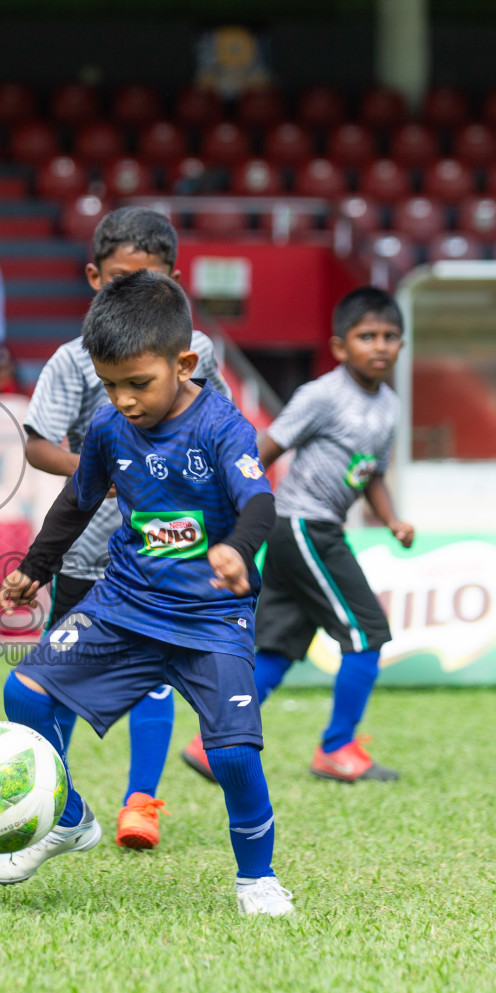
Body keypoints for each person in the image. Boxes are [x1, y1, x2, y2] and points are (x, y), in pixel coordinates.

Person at [0, 271, 292, 917]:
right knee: (24, 692)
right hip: (124, 604)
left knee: (234, 754)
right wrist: (36, 567)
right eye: (110, 384)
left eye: (138, 383)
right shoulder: (107, 428)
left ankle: (257, 880)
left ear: (184, 364)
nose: (124, 400)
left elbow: (260, 501)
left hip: (210, 615)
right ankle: (68, 817)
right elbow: (77, 501)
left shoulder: (222, 426)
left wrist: (237, 547)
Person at [22, 206, 235, 851]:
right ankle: (56, 805)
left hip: (167, 555)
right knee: (50, 681)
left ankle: (141, 802)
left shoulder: (197, 357)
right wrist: (106, 473)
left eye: (151, 279)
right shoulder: (71, 360)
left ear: (174, 279)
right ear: (93, 278)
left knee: (155, 677)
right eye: (120, 278)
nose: (136, 292)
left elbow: (218, 436)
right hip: (86, 553)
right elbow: (36, 445)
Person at [185, 286, 413, 784]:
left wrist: (392, 519)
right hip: (303, 526)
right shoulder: (322, 396)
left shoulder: (389, 407)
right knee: (366, 633)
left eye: (390, 336)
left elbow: (372, 473)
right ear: (339, 347)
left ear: (401, 344)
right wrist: (235, 512)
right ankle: (337, 747)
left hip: (312, 530)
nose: (379, 345)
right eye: (366, 336)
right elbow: (264, 447)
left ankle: (212, 743)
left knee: (277, 646)